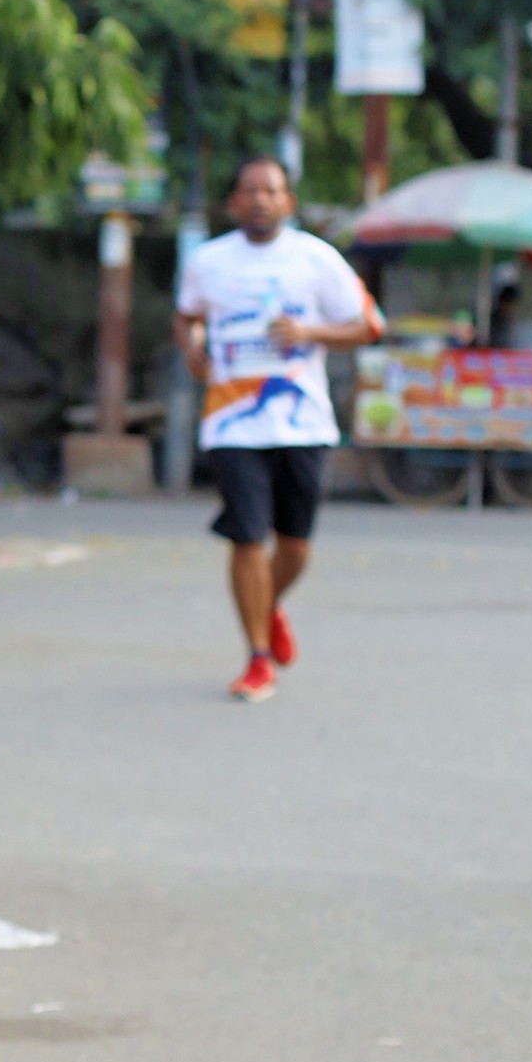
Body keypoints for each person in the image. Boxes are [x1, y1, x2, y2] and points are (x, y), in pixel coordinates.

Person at [172, 155, 376, 704]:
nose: (260, 199)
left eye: (271, 190)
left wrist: (309, 332)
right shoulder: (208, 261)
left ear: (288, 201)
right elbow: (186, 316)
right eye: (250, 190)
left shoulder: (316, 258)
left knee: (295, 547)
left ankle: (267, 604)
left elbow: (368, 325)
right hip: (232, 422)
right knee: (246, 536)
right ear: (234, 202)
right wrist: (193, 350)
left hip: (301, 422)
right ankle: (258, 657)